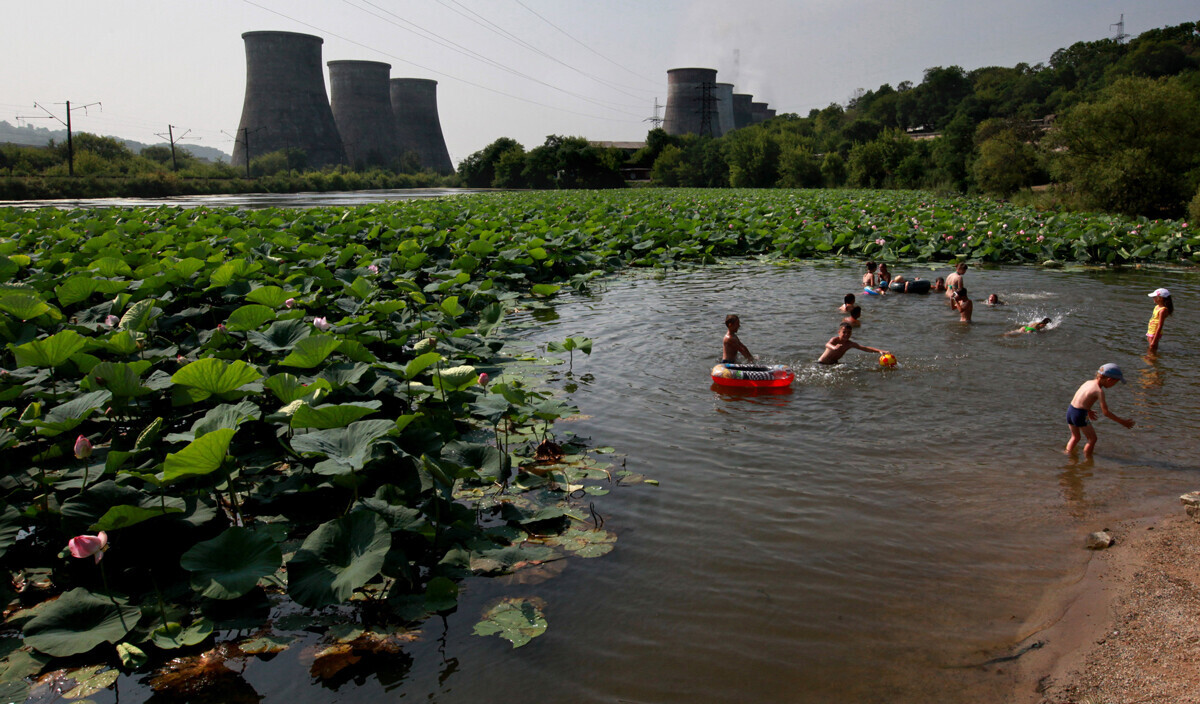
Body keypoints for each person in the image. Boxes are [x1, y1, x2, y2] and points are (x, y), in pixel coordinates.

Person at [1065, 363, 1135, 456]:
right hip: (1080, 414)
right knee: (1092, 439)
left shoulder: (1088, 382)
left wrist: (1088, 410)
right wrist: (1122, 422)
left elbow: (1081, 399)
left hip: (1070, 411)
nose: (1114, 385)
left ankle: (1067, 454)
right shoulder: (1099, 391)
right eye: (1115, 382)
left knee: (1075, 437)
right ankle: (1087, 461)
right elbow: (1105, 412)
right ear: (1109, 379)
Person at [818, 322, 889, 364]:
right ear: (839, 332)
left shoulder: (849, 344)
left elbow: (865, 348)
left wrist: (880, 351)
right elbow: (827, 344)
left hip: (834, 364)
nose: (846, 334)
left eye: (849, 333)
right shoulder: (835, 340)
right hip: (822, 363)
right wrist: (834, 347)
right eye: (844, 332)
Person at [1146, 287, 1173, 352]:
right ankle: (1153, 358)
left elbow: (1160, 326)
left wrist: (1154, 340)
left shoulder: (1163, 310)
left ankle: (1153, 359)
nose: (1153, 298)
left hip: (1155, 333)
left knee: (1152, 349)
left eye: (1154, 297)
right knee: (1150, 348)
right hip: (1151, 331)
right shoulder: (1157, 307)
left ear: (1160, 298)